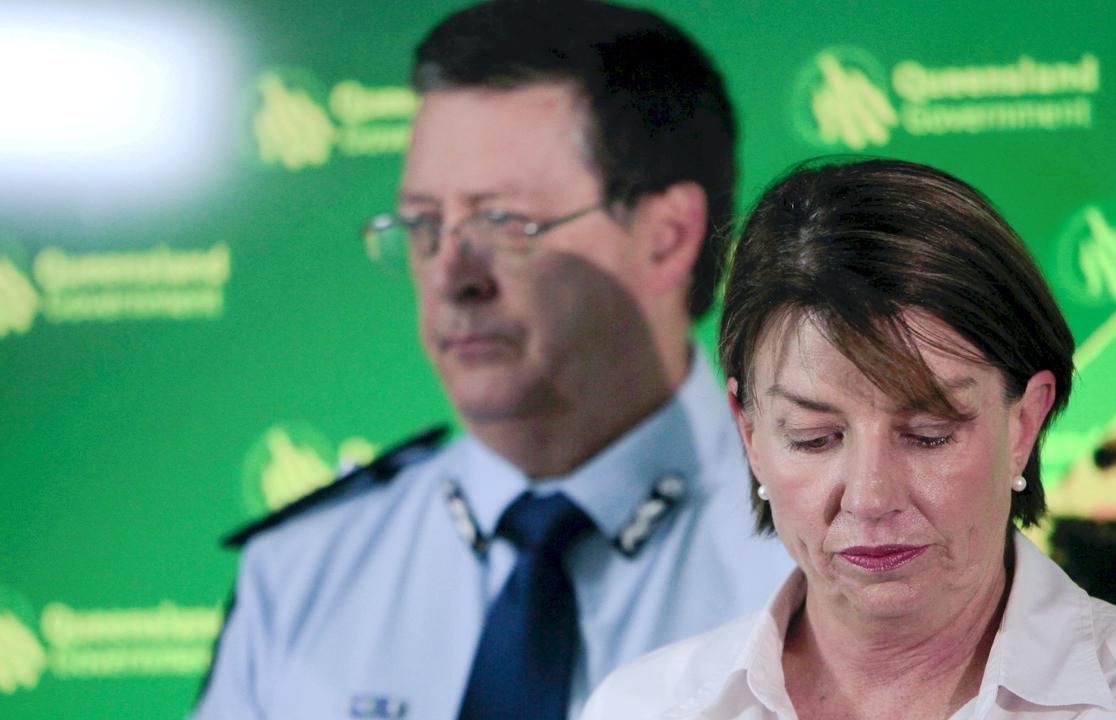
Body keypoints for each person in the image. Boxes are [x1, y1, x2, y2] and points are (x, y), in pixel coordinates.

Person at [192, 2, 794, 718]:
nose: (452, 273)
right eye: (423, 225)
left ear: (666, 237)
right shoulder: (303, 575)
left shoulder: (831, 547)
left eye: (502, 221)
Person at [583, 159, 1116, 719]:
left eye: (928, 434)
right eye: (816, 437)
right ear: (750, 433)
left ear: (1025, 423)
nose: (871, 496)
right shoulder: (645, 707)